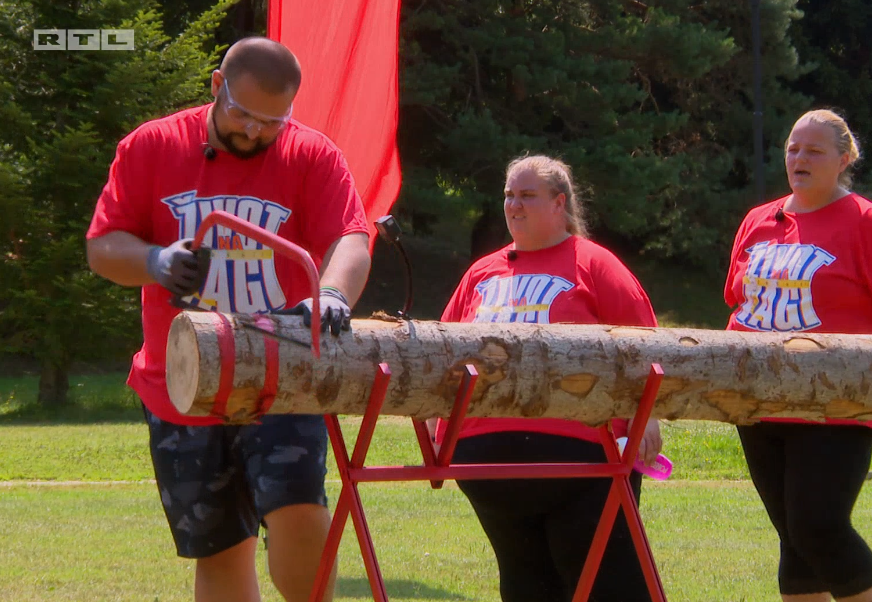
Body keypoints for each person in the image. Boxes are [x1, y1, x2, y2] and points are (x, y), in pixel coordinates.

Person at [86, 37, 371, 602]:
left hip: (283, 377)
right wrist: (152, 260)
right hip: (184, 384)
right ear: (217, 86)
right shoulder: (152, 145)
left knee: (300, 514)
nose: (253, 132)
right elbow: (102, 247)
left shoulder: (312, 153)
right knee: (219, 549)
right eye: (241, 113)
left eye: (272, 121)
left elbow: (351, 236)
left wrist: (334, 293)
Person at [430, 155, 663, 602]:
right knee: (526, 583)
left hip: (582, 449)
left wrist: (645, 414)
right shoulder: (481, 273)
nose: (514, 205)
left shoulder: (594, 264)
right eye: (508, 196)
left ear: (560, 203)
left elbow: (646, 346)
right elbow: (441, 355)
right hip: (483, 452)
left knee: (608, 584)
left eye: (527, 196)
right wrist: (431, 425)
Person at [723, 109, 872, 602]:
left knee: (819, 526)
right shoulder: (758, 221)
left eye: (814, 150)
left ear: (844, 158)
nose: (800, 158)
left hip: (840, 403)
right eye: (794, 148)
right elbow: (738, 299)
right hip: (761, 402)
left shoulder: (871, 225)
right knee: (794, 539)